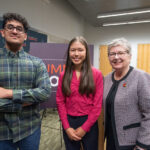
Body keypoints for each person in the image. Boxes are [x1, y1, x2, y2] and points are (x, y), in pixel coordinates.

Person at [0, 13, 51, 150]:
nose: (15, 31)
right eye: (10, 27)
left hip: (30, 130)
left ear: (25, 36)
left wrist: (8, 93)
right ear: (3, 32)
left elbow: (45, 93)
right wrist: (23, 104)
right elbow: (37, 95)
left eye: (19, 28)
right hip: (2, 133)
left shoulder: (37, 63)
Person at [56, 36, 103, 150]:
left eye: (80, 50)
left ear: (86, 52)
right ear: (69, 52)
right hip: (69, 122)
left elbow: (97, 106)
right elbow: (60, 101)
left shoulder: (96, 74)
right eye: (73, 50)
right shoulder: (64, 75)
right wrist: (67, 127)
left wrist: (84, 128)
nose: (76, 54)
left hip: (89, 122)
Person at [103, 38, 150, 150]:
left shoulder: (141, 78)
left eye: (120, 53)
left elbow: (149, 114)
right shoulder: (106, 79)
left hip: (133, 143)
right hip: (111, 139)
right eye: (112, 54)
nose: (116, 57)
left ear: (129, 56)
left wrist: (142, 145)